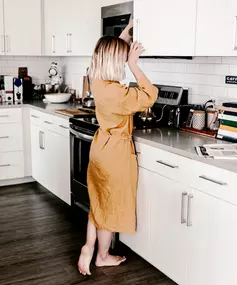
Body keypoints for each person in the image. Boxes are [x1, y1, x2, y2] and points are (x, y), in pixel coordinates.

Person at [78, 22, 158, 276]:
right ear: (117, 60)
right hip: (116, 154)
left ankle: (88, 248)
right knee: (110, 206)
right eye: (123, 57)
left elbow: (109, 47)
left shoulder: (96, 78)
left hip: (101, 147)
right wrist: (135, 65)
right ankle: (102, 256)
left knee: (99, 203)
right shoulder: (119, 93)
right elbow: (151, 94)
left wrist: (130, 26)